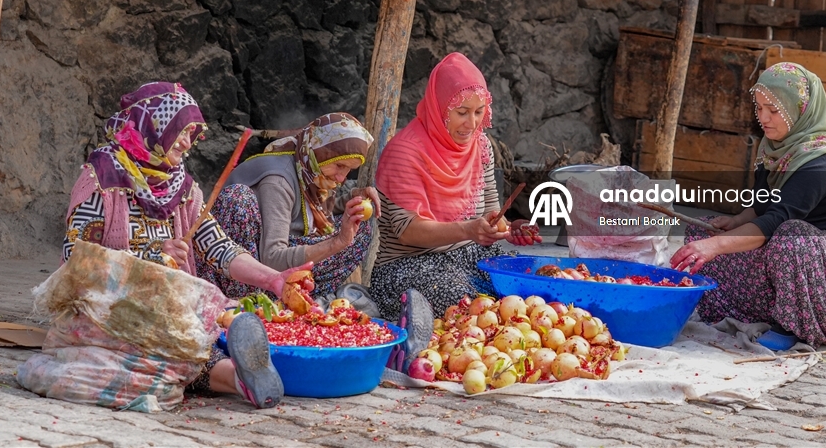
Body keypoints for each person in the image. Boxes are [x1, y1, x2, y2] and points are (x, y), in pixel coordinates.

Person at [63, 81, 307, 409]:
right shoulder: (102, 180)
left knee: (214, 319)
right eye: (181, 131)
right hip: (110, 304)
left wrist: (273, 280)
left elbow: (219, 246)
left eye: (191, 134)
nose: (187, 143)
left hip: (166, 303)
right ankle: (238, 378)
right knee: (171, 340)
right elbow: (75, 259)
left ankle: (243, 375)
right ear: (153, 126)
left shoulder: (182, 187)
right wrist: (151, 255)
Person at [670, 63, 826, 348]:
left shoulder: (821, 161)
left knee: (789, 235)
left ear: (801, 110)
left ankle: (790, 326)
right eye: (759, 108)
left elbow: (777, 220)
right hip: (790, 256)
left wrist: (716, 247)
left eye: (774, 110)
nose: (763, 118)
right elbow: (763, 205)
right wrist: (734, 223)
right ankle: (749, 312)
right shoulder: (772, 150)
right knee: (702, 233)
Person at [370, 53, 540, 332]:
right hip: (408, 267)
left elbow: (490, 214)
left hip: (468, 256)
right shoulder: (405, 152)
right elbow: (408, 231)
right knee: (471, 307)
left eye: (478, 112)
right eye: (461, 112)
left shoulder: (481, 146)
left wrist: (506, 229)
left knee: (524, 292)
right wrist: (469, 231)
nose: (471, 124)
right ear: (439, 108)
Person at [199, 113, 380, 304]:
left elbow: (310, 212)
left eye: (348, 170)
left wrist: (352, 199)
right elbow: (273, 258)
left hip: (277, 252)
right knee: (348, 241)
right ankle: (260, 298)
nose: (342, 178)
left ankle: (295, 294)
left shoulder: (307, 169)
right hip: (248, 270)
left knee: (361, 229)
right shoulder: (279, 181)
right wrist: (338, 242)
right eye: (339, 166)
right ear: (318, 153)